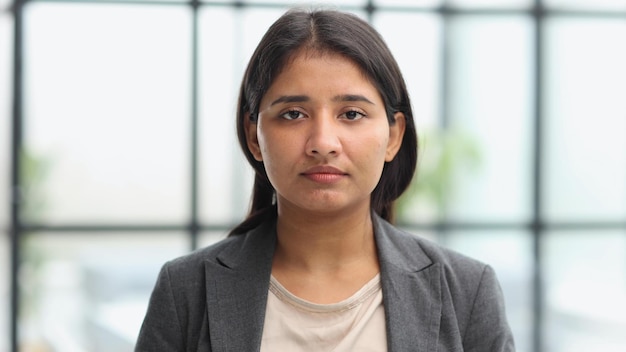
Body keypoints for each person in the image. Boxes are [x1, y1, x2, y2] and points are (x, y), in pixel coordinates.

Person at [135, 8, 515, 352]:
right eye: (293, 114)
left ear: (394, 136)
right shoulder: (185, 290)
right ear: (254, 136)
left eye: (350, 114)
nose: (322, 143)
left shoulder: (467, 290)